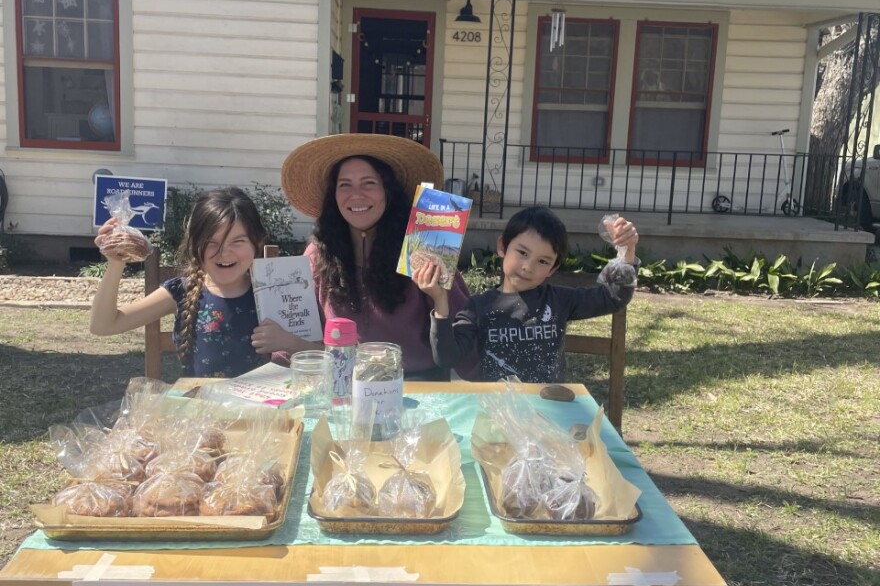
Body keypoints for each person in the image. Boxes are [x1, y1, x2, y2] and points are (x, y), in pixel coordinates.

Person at [280, 134, 476, 379]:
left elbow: (463, 329)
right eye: (345, 185)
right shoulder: (318, 254)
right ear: (334, 196)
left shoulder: (425, 243)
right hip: (344, 386)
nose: (357, 195)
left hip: (419, 387)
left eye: (369, 183)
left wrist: (439, 297)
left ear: (388, 191)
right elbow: (298, 330)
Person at [416, 205, 639, 383]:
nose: (528, 267)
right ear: (503, 247)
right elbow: (447, 358)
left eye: (543, 261)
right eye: (522, 252)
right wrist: (440, 299)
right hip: (499, 414)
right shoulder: (477, 308)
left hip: (548, 409)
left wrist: (626, 251)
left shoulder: (559, 301)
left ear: (552, 269)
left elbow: (612, 297)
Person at [89, 187, 296, 377]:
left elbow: (321, 350)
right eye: (211, 242)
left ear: (257, 242)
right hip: (201, 412)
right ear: (194, 244)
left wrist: (290, 342)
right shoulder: (183, 290)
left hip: (258, 413)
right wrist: (115, 264)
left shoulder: (275, 291)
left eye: (238, 241)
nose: (224, 252)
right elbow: (103, 326)